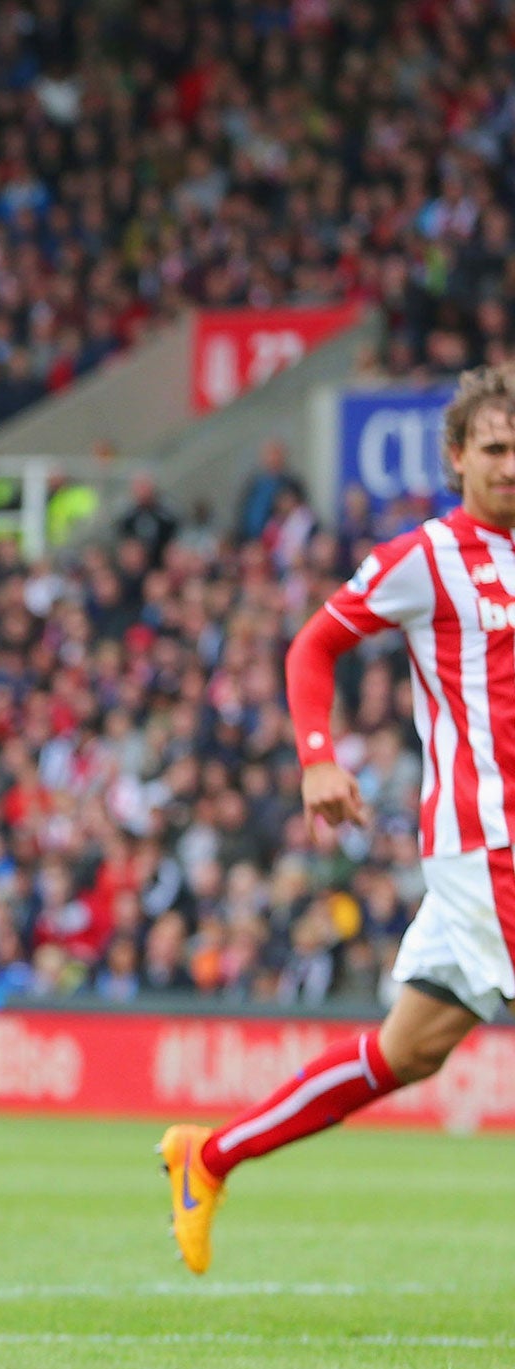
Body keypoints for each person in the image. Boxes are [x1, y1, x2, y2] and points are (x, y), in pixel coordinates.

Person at [161, 363, 515, 1274]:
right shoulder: (427, 557)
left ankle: (210, 1155)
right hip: (490, 845)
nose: (511, 467)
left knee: (410, 1050)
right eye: (496, 449)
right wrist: (319, 755)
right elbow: (315, 641)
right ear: (458, 458)